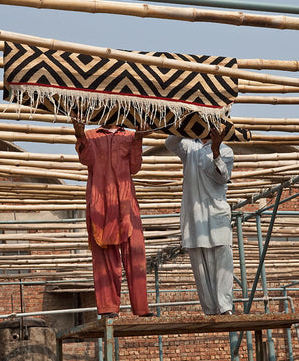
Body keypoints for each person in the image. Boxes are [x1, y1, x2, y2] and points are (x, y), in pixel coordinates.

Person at [73, 117, 154, 318]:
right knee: (104, 257)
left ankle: (142, 309)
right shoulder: (91, 136)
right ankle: (108, 308)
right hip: (100, 205)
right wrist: (79, 134)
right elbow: (86, 160)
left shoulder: (130, 136)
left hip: (126, 203)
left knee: (136, 255)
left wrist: (139, 140)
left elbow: (134, 168)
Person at [165, 127, 235, 315]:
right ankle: (211, 309)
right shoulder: (189, 147)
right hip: (194, 216)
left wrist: (216, 152)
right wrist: (184, 125)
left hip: (216, 213)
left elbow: (222, 177)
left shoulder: (226, 150)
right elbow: (170, 143)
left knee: (222, 259)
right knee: (200, 265)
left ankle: (225, 307)